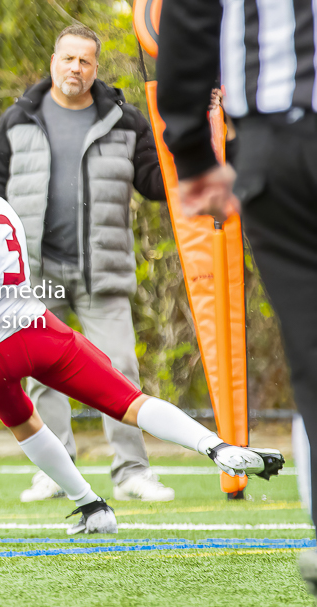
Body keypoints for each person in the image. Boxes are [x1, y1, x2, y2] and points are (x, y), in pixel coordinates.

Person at [0, 113, 285, 535]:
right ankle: (218, 447)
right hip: (32, 330)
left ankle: (92, 507)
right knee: (128, 402)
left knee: (26, 424)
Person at [155, 0, 317, 596]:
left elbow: (189, 19)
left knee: (313, 346)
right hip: (281, 141)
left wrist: (194, 151)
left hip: (280, 141)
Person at [0, 24, 173, 502]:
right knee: (42, 375)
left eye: (85, 61)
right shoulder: (18, 118)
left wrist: (178, 152)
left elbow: (153, 183)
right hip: (34, 269)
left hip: (101, 270)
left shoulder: (125, 120)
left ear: (96, 67)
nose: (76, 69)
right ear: (53, 60)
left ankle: (132, 472)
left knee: (120, 368)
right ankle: (57, 471)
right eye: (68, 59)